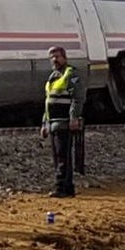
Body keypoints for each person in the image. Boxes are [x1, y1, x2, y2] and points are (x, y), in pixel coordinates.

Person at [41, 45, 85, 198]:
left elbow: (77, 98)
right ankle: (68, 188)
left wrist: (74, 117)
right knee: (58, 156)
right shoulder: (53, 77)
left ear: (64, 57)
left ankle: (61, 188)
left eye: (57, 56)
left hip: (64, 122)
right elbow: (48, 102)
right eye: (52, 57)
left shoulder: (70, 74)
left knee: (62, 156)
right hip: (53, 123)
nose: (54, 59)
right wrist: (45, 123)